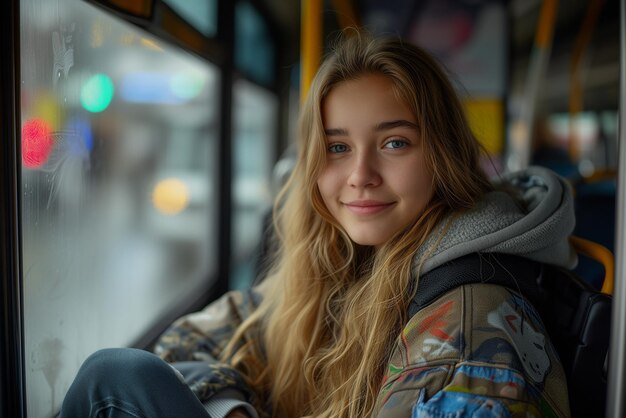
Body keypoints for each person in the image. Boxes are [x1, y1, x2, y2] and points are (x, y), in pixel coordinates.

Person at [60, 32, 575, 418]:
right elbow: (194, 338)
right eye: (337, 147)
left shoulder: (469, 324)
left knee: (113, 384)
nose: (360, 176)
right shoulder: (349, 266)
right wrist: (231, 408)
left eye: (394, 143)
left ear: (442, 155)